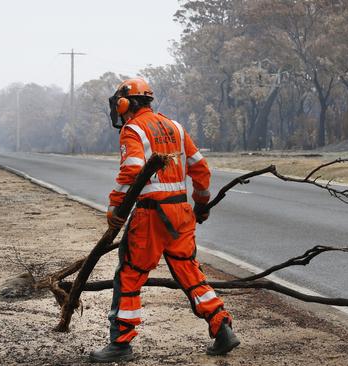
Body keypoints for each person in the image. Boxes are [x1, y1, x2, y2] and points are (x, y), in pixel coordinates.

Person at [90, 78, 240, 363]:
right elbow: (200, 168)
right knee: (189, 272)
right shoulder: (176, 127)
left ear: (124, 103)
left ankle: (120, 343)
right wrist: (202, 204)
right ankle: (222, 327)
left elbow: (132, 170)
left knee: (130, 274)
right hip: (181, 213)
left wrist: (115, 208)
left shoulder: (133, 129)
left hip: (151, 215)